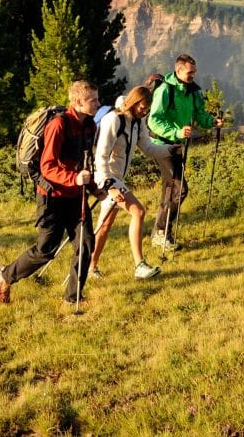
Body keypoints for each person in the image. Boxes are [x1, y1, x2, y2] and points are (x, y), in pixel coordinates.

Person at [0, 80, 99, 306]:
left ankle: (73, 298)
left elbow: (85, 162)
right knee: (46, 250)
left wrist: (93, 188)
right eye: (93, 100)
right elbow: (47, 167)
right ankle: (6, 275)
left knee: (86, 244)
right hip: (52, 196)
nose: (98, 104)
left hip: (76, 196)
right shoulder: (59, 126)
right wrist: (73, 179)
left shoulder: (91, 126)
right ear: (78, 102)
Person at [146, 54, 223, 250]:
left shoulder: (192, 91)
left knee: (170, 190)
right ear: (178, 71)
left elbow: (199, 113)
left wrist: (211, 122)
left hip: (178, 145)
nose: (193, 75)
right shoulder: (165, 90)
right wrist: (176, 132)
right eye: (190, 72)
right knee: (179, 190)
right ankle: (161, 233)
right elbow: (153, 120)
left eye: (194, 72)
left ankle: (161, 234)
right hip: (162, 144)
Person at [89, 85, 162, 280]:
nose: (144, 111)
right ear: (134, 102)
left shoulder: (137, 122)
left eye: (147, 108)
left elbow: (148, 148)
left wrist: (172, 149)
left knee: (104, 225)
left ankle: (90, 268)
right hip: (105, 178)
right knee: (138, 211)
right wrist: (110, 187)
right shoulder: (114, 120)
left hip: (116, 180)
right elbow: (100, 157)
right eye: (143, 107)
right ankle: (139, 266)